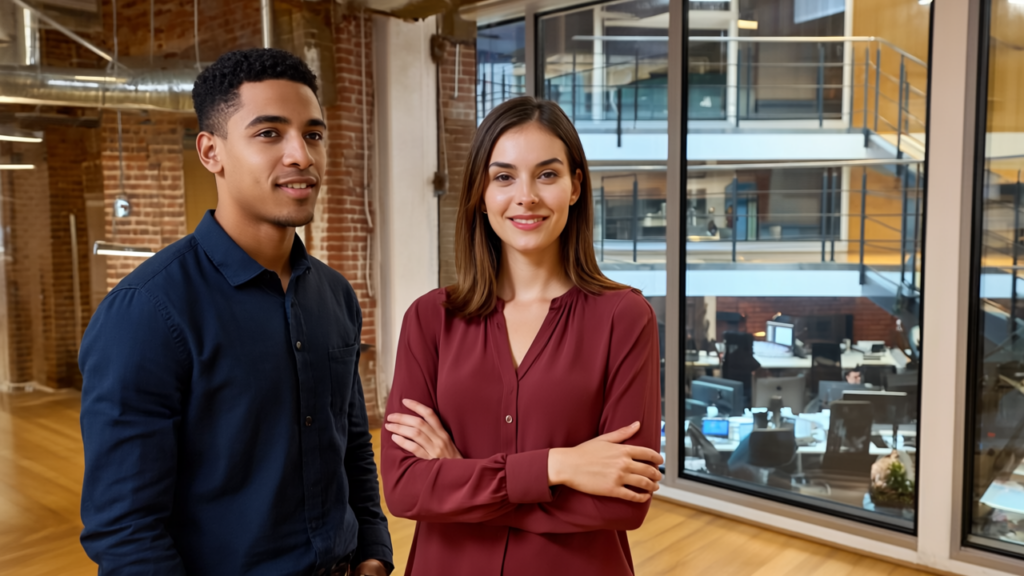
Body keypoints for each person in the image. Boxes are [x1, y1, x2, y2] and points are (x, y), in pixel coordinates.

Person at [79, 48, 392, 576]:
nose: (301, 155)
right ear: (211, 152)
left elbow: (351, 443)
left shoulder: (334, 294)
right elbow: (126, 527)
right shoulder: (146, 311)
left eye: (313, 134)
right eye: (269, 133)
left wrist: (373, 550)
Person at [380, 96, 664, 575]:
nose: (526, 196)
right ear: (481, 192)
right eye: (504, 176)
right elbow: (406, 488)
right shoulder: (430, 319)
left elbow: (623, 504)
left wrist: (458, 476)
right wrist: (559, 467)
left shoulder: (625, 318)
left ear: (575, 186)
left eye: (547, 175)